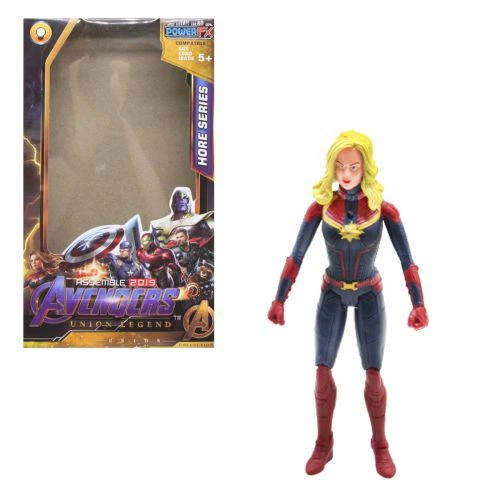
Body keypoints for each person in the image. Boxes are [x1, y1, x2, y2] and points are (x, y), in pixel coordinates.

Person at [268, 130, 428, 479]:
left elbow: (407, 260)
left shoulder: (384, 210)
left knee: (373, 373)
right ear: (332, 167)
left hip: (370, 292)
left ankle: (380, 444)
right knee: (322, 371)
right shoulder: (321, 208)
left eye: (354, 167)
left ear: (365, 167)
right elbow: (296, 255)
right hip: (333, 291)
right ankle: (323, 443)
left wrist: (418, 303)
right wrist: (280, 298)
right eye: (340, 166)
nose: (346, 173)